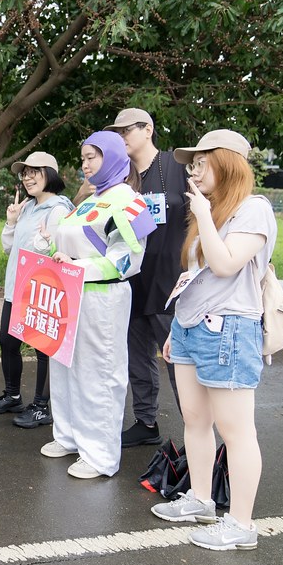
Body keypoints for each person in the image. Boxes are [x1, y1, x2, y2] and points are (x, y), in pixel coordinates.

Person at [151, 130, 275, 551]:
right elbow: (194, 277)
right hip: (190, 327)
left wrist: (203, 215)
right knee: (195, 420)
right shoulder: (211, 211)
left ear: (228, 164)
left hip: (229, 330)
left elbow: (224, 265)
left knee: (236, 431)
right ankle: (201, 500)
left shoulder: (253, 209)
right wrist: (176, 328)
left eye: (202, 163)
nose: (195, 172)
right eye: (193, 164)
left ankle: (241, 524)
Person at [40, 132, 156, 479]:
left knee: (99, 373)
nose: (86, 164)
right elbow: (68, 244)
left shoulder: (130, 202)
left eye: (92, 157)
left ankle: (100, 455)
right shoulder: (90, 200)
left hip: (102, 297)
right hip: (68, 294)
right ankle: (69, 436)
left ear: (114, 157)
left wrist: (78, 268)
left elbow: (128, 260)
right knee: (64, 367)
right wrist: (52, 251)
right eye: (83, 158)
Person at [103, 108, 190, 448]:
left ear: (148, 129)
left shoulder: (176, 166)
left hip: (170, 280)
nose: (121, 137)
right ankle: (145, 422)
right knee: (137, 359)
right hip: (131, 281)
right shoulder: (119, 178)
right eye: (117, 132)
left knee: (179, 363)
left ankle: (196, 435)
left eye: (127, 130)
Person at [0, 152, 74, 428]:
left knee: (43, 349)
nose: (27, 177)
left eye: (35, 171)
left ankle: (41, 407)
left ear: (50, 174)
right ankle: (12, 395)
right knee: (7, 341)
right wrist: (11, 221)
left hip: (41, 291)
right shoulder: (28, 207)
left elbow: (60, 253)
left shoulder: (59, 209)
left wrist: (46, 243)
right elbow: (9, 249)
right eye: (25, 173)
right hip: (17, 287)